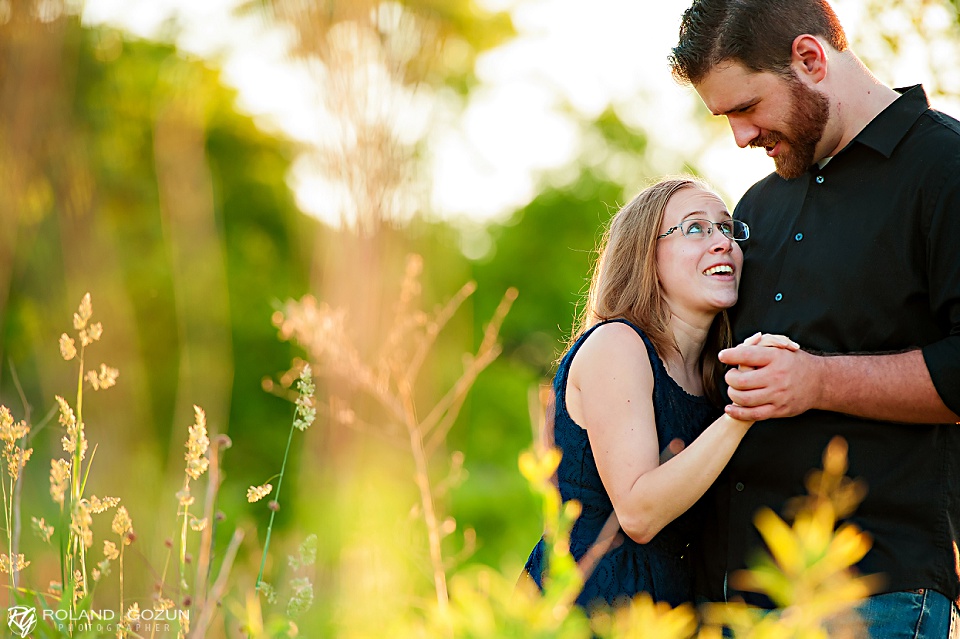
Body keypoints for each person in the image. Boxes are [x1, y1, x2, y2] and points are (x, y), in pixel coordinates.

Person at [669, 1, 960, 636]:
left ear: (809, 58)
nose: (740, 136)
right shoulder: (757, 203)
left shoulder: (946, 170)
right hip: (729, 597)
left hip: (868, 598)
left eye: (746, 108)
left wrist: (816, 381)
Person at [521, 176, 796, 609]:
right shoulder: (618, 343)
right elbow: (638, 514)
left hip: (673, 608)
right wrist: (745, 407)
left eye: (726, 228)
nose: (722, 242)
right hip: (589, 607)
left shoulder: (713, 373)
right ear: (645, 254)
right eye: (694, 228)